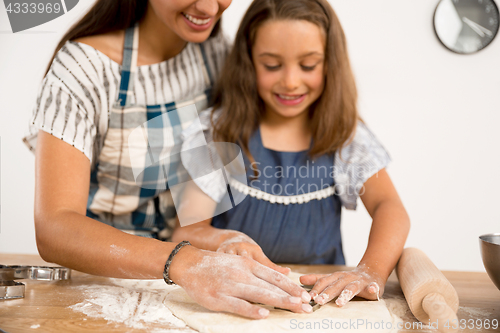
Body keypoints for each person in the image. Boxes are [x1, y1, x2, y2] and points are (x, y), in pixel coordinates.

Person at [23, 0, 313, 319]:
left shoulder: (213, 51)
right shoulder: (83, 70)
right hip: (103, 289)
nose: (208, 7)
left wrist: (223, 240)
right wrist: (185, 261)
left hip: (196, 282)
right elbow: (55, 228)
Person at [172, 0, 411, 308]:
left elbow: (389, 207)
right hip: (238, 294)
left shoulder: (344, 137)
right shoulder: (219, 134)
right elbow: (187, 230)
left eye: (308, 65)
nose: (290, 81)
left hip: (321, 301)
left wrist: (371, 271)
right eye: (271, 65)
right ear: (248, 62)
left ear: (329, 64)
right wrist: (225, 240)